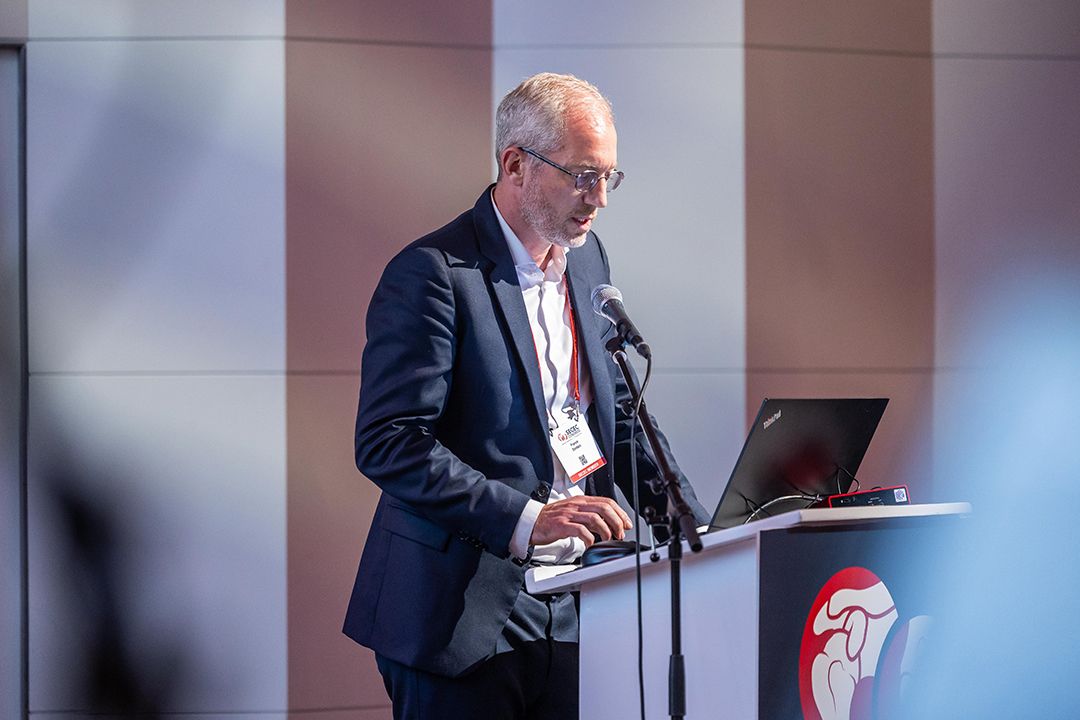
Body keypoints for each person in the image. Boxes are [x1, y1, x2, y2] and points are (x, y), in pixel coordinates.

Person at [343, 72, 708, 719]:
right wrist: (526, 520)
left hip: (577, 601)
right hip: (457, 613)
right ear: (515, 164)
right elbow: (389, 442)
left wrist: (695, 527)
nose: (599, 199)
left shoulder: (587, 259)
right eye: (583, 176)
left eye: (609, 177)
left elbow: (617, 416)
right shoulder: (432, 275)